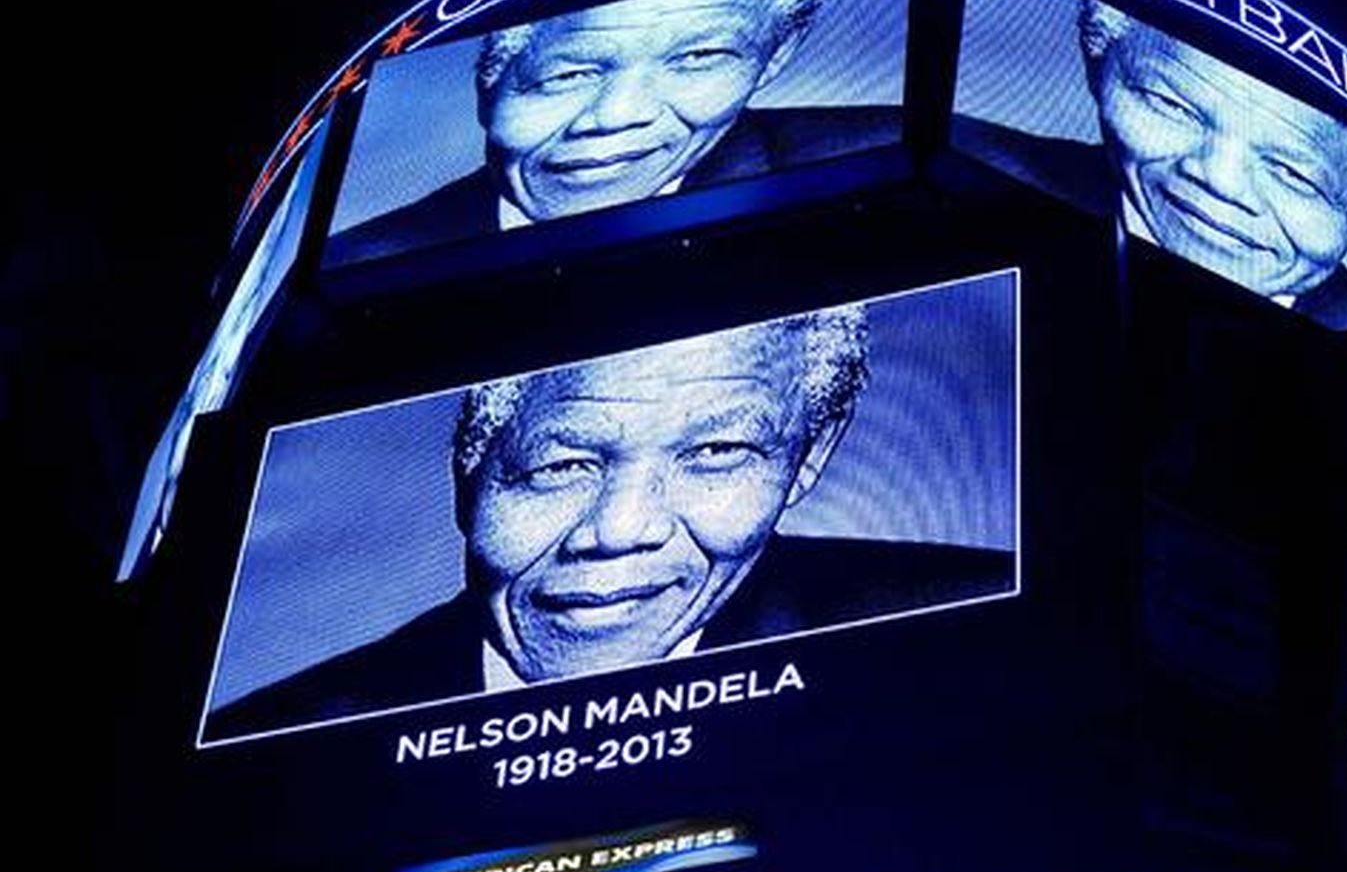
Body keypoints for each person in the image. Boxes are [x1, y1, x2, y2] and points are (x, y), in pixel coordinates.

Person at [206, 307, 1013, 739]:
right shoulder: (276, 745)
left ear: (808, 459)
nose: (619, 531)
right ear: (471, 469)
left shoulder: (978, 633)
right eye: (562, 466)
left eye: (717, 451)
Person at [955, 0, 1347, 393]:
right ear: (1099, 69)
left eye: (1294, 173)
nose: (1218, 181)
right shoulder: (896, 155)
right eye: (1169, 105)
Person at [328, 0, 899, 265]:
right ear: (489, 81)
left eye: (699, 57)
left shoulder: (935, 166)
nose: (618, 116)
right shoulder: (359, 265)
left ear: (774, 56)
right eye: (569, 74)